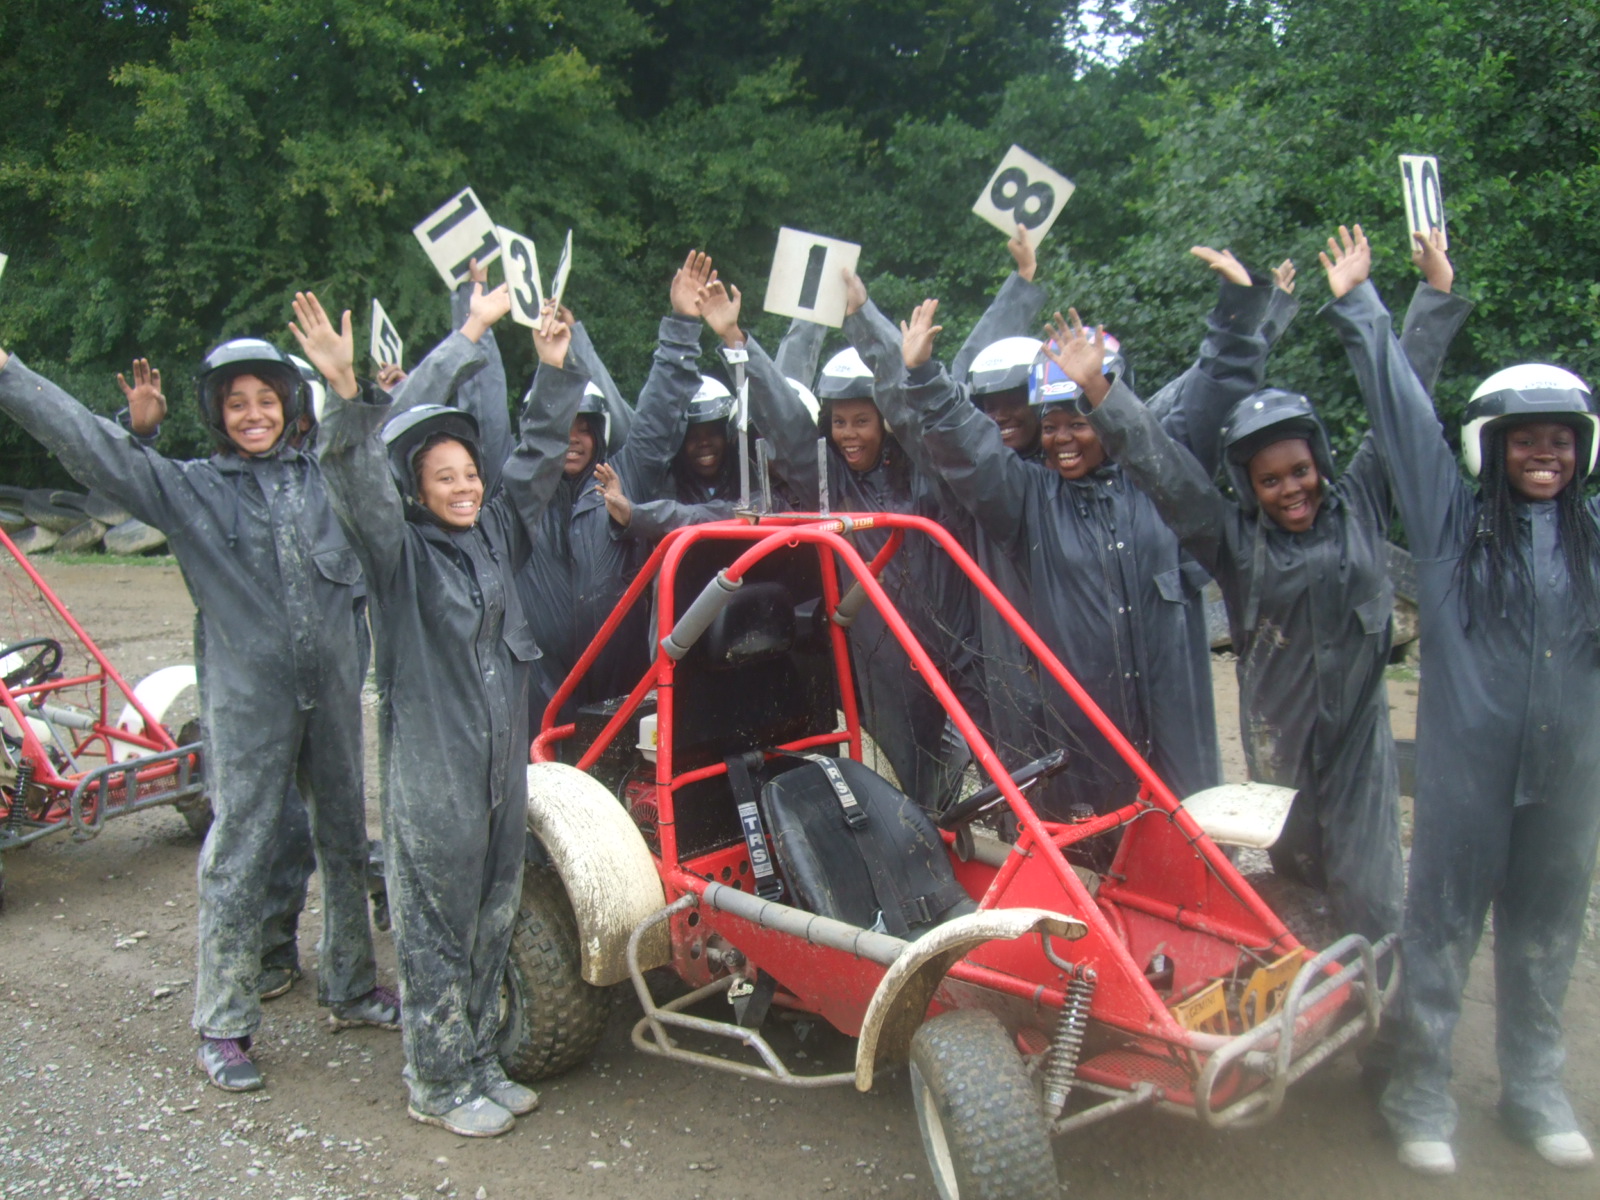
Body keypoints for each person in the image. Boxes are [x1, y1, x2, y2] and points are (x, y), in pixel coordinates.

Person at [0, 334, 396, 1094]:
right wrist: (11, 374)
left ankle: (349, 987)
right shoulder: (192, 491)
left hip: (335, 699)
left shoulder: (327, 483)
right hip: (249, 710)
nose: (254, 414)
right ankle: (223, 1022)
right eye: (237, 403)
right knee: (239, 850)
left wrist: (363, 387)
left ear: (292, 408)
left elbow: (369, 450)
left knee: (345, 840)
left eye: (267, 400)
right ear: (217, 414)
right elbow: (95, 452)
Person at [1064, 233, 1471, 944]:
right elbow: (1162, 468)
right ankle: (1312, 1015)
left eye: (1301, 470)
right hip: (1278, 746)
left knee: (1373, 891)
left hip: (1357, 740)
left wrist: (1428, 298)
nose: (1292, 489)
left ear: (1321, 461)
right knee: (1299, 886)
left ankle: (1380, 1027)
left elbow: (1401, 401)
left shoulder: (1365, 500)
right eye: (1271, 479)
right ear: (1249, 487)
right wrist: (1100, 390)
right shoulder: (1230, 541)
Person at [1321, 223, 1599, 1175]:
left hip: (1569, 777)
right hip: (1466, 777)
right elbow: (1402, 415)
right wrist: (1369, 303)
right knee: (1438, 934)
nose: (1546, 456)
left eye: (1562, 441)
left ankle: (1534, 1088)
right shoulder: (1449, 527)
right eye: (1528, 440)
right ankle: (1420, 1091)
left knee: (1548, 935)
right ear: (1494, 444)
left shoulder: (1594, 539)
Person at [302, 285, 586, 1138]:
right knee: (433, 930)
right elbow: (356, 483)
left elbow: (536, 461)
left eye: (468, 473)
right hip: (434, 777)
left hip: (500, 768)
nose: (463, 487)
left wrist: (552, 372)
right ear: (416, 491)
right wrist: (346, 398)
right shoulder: (397, 558)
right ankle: (435, 1082)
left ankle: (478, 1061)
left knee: (492, 918)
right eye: (444, 478)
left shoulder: (493, 531)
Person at [890, 253, 1274, 817]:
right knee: (1096, 868)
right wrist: (925, 379)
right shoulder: (1031, 503)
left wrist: (1238, 309)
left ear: (1112, 412)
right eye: (1050, 427)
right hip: (1085, 754)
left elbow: (1213, 387)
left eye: (1079, 421)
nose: (1061, 440)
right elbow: (972, 450)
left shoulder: (1162, 478)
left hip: (1176, 736)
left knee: (1191, 853)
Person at [517, 251, 712, 716]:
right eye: (560, 427)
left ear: (598, 432)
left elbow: (660, 411)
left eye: (582, 427)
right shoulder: (517, 496)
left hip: (620, 692)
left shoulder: (628, 475)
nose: (572, 439)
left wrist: (684, 321)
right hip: (541, 694)